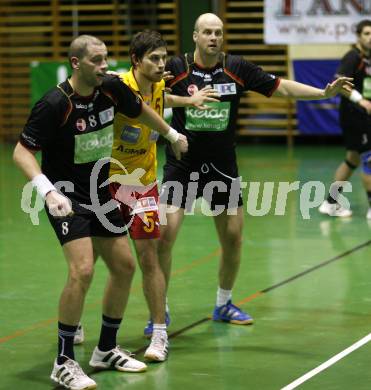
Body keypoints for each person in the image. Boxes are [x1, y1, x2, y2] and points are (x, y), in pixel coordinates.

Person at [13, 35, 187, 390]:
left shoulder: (110, 89)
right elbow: (21, 152)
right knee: (83, 269)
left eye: (106, 58)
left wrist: (170, 133)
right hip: (66, 196)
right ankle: (63, 361)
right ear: (77, 64)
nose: (105, 66)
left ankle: (106, 349)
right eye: (96, 60)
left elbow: (139, 110)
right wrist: (47, 192)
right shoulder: (54, 104)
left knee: (124, 267)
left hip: (101, 191)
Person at [157, 13, 353, 326]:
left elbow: (281, 87)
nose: (213, 37)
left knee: (233, 238)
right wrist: (185, 102)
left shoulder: (236, 68)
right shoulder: (177, 69)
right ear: (194, 36)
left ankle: (224, 304)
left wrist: (322, 93)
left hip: (222, 165)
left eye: (218, 32)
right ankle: (159, 310)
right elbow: (150, 96)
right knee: (164, 236)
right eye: (207, 32)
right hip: (183, 164)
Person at [108, 30, 218, 361]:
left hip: (141, 183)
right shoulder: (116, 87)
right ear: (135, 60)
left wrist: (188, 100)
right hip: (104, 183)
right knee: (98, 258)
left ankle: (159, 332)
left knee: (149, 255)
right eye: (153, 59)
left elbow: (160, 101)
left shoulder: (157, 85)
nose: (161, 64)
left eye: (163, 57)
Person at [319, 19, 371, 218]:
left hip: (364, 116)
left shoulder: (368, 58)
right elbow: (339, 84)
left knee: (353, 159)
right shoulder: (352, 57)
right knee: (368, 157)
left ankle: (330, 203)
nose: (370, 37)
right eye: (366, 33)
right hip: (353, 116)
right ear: (358, 36)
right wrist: (360, 100)